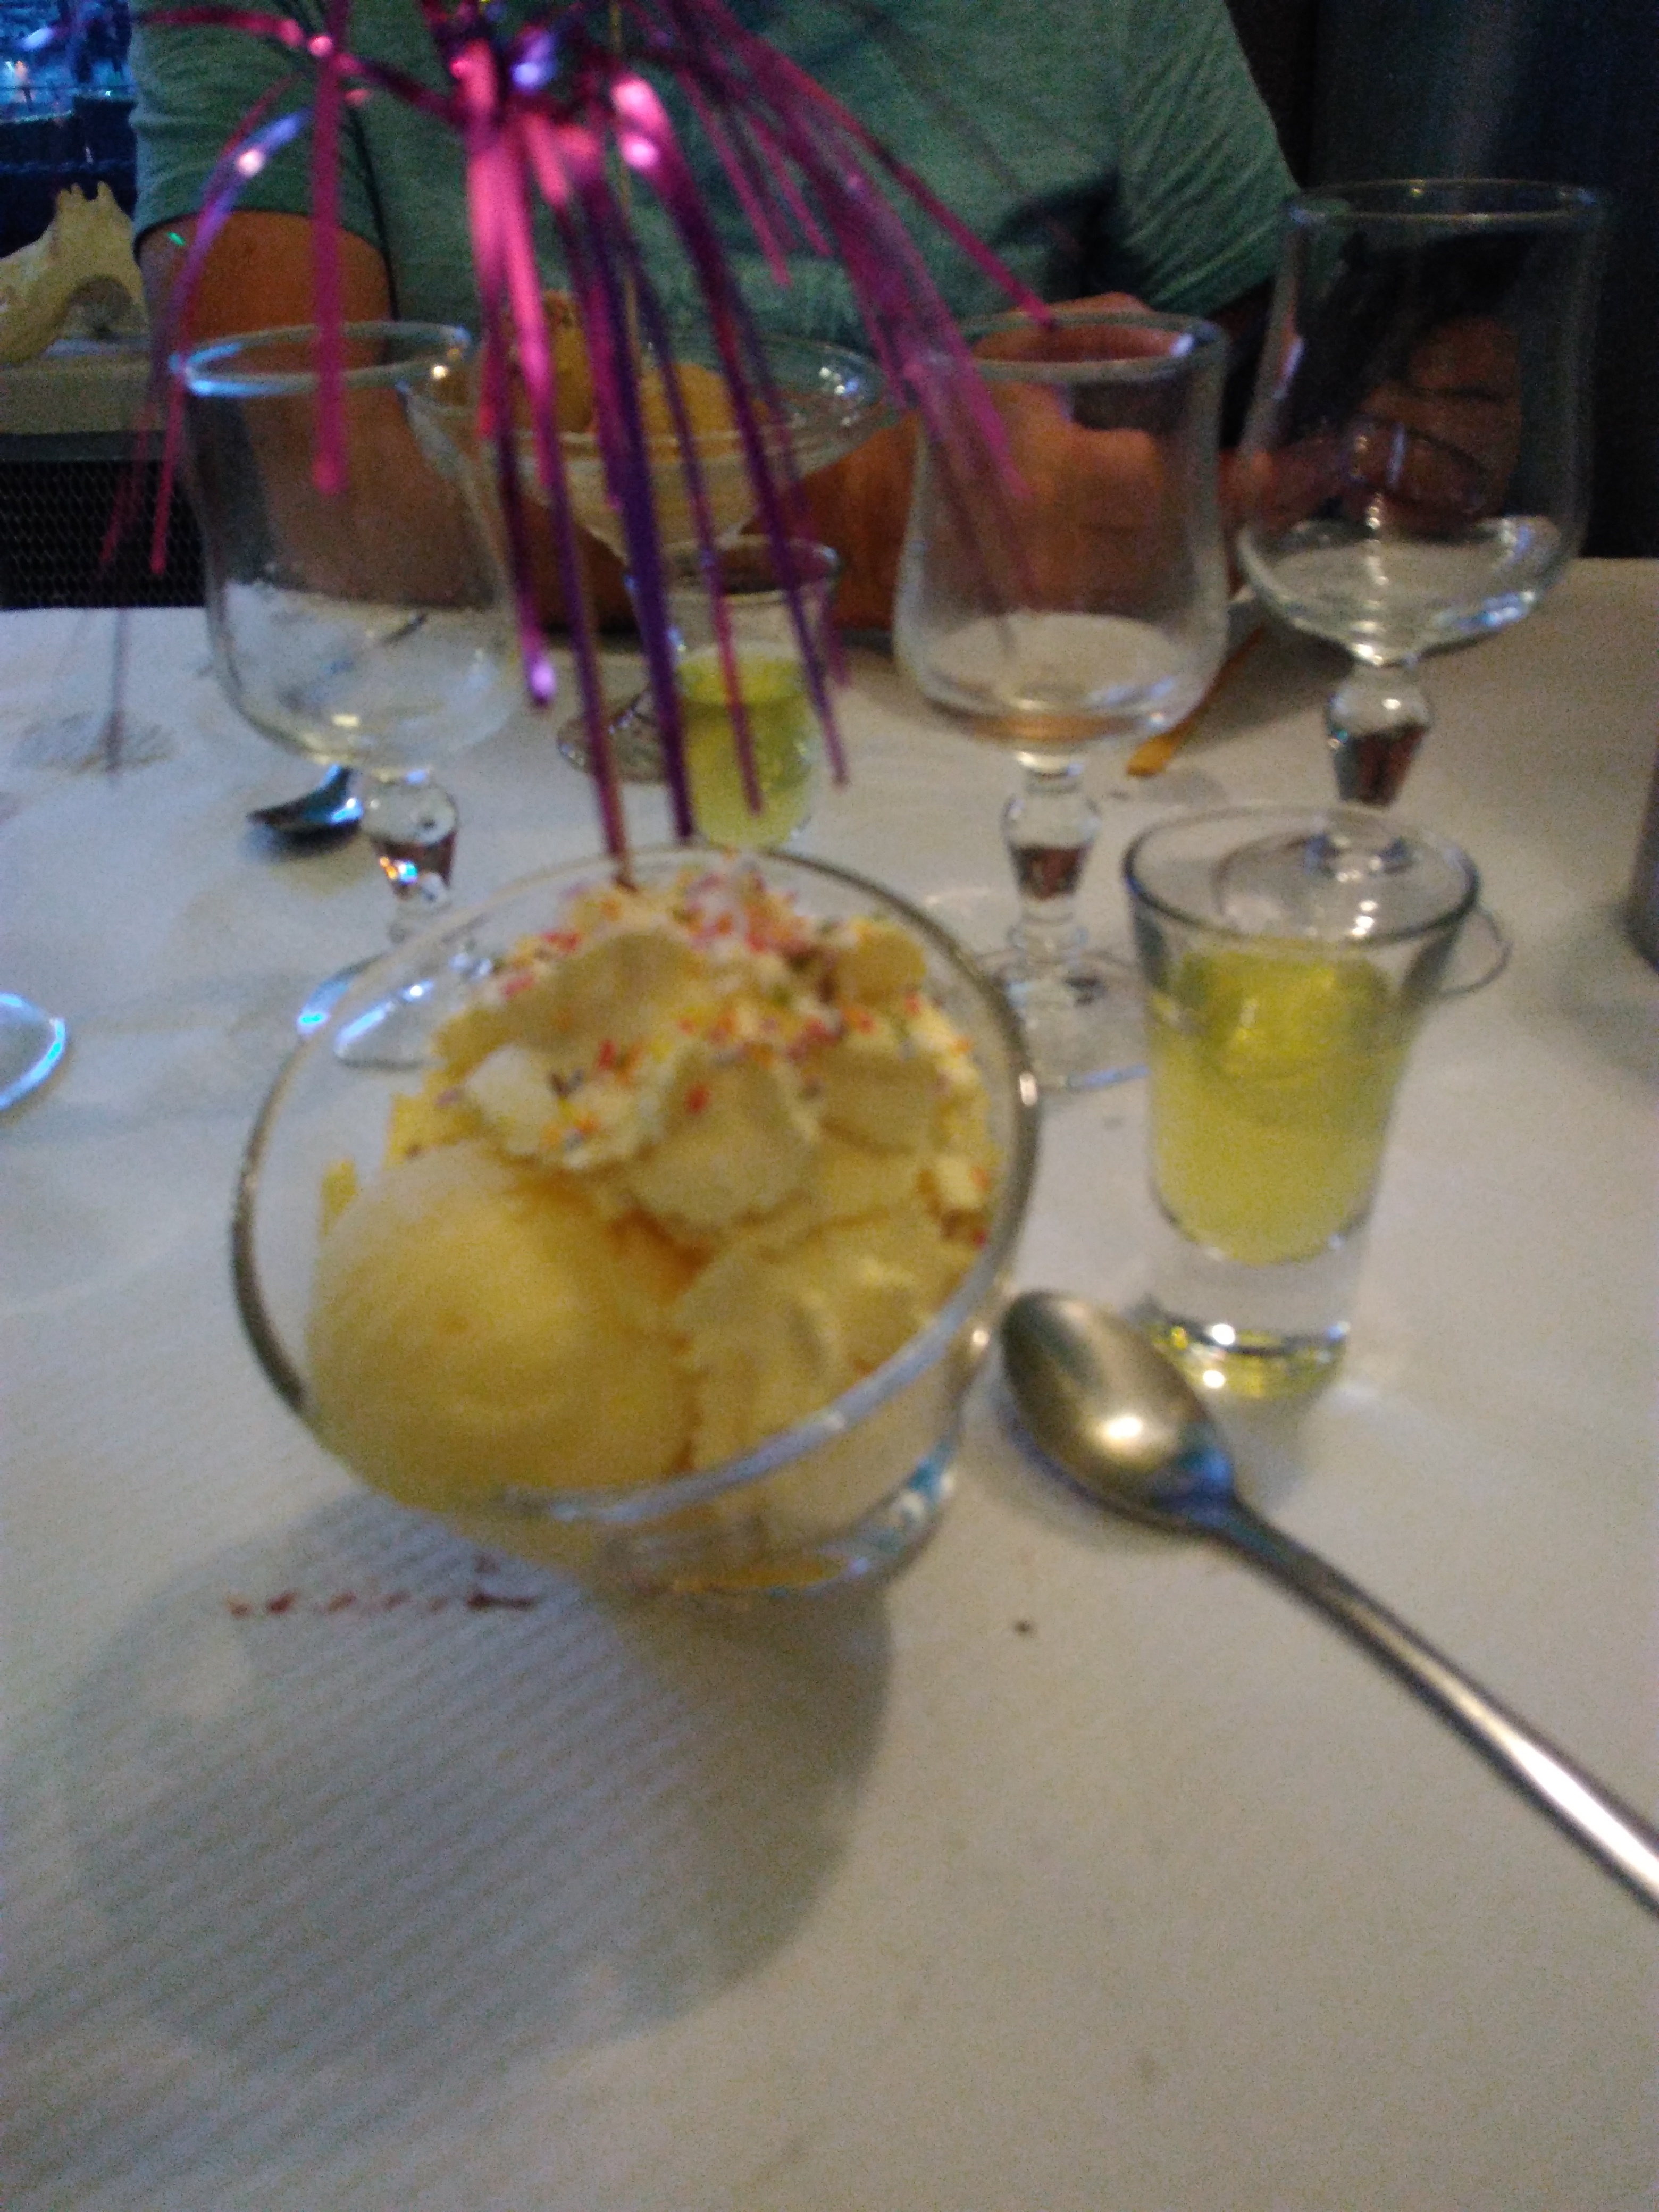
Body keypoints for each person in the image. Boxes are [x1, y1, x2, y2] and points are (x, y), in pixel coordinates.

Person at [129, 0, 1295, 625]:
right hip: (472, 812)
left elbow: (1283, 409)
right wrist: (880, 518)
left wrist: (1334, 443)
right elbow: (292, 488)